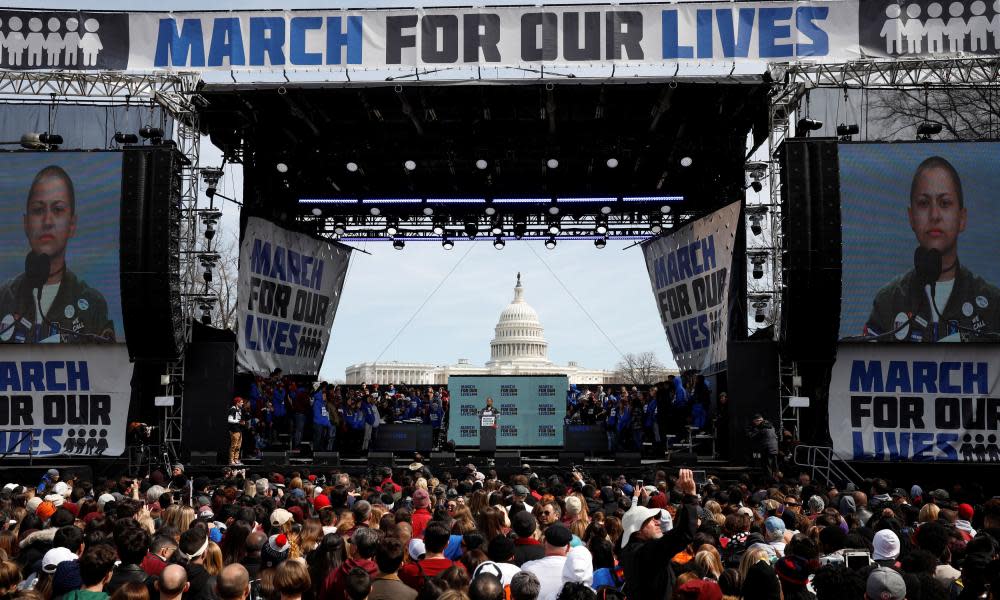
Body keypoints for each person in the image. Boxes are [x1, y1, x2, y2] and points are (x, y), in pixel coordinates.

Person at [865, 156, 1000, 341]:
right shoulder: (888, 301)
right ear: (911, 217)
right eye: (923, 203)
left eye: (945, 203)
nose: (934, 215)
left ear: (962, 218)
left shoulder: (992, 305)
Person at [0, 165, 115, 343]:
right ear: (25, 223)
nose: (47, 221)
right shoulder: (4, 297)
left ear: (72, 225)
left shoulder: (91, 304)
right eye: (38, 210)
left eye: (58, 210)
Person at [745, 414, 779, 478]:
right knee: (774, 467)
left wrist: (752, 431)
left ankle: (770, 482)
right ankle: (777, 481)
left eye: (756, 421)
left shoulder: (762, 428)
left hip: (767, 450)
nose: (756, 423)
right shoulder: (771, 426)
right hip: (774, 449)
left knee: (767, 467)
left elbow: (752, 436)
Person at [228, 397, 246, 466]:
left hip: (239, 430)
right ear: (237, 403)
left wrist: (242, 422)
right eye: (241, 402)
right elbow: (229, 420)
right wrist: (239, 421)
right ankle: (231, 460)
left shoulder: (240, 409)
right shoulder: (233, 409)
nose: (242, 403)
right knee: (234, 445)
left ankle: (236, 459)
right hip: (234, 430)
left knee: (238, 446)